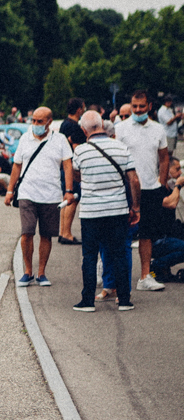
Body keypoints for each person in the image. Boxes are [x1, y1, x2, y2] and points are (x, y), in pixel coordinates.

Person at [70, 110, 139, 311]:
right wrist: (135, 207)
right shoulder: (121, 147)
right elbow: (133, 179)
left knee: (90, 256)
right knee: (119, 253)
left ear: (84, 130)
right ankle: (124, 300)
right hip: (117, 210)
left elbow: (76, 175)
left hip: (91, 213)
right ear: (101, 125)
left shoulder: (80, 151)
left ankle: (87, 301)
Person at [4, 106, 74, 286]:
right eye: (33, 120)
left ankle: (42, 272)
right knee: (27, 232)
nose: (35, 124)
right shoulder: (25, 139)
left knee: (46, 235)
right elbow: (17, 166)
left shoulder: (59, 140)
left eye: (39, 121)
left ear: (49, 122)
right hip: (27, 193)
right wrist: (10, 191)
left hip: (51, 194)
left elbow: (67, 166)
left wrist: (68, 190)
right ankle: (28, 271)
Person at [115, 88, 170, 291]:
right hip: (126, 190)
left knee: (147, 234)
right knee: (120, 233)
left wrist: (161, 182)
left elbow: (164, 157)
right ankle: (113, 276)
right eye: (134, 106)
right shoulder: (120, 129)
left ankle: (144, 277)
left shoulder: (158, 129)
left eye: (141, 106)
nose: (138, 110)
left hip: (150, 189)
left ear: (149, 106)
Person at [58, 97, 86, 244]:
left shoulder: (64, 124)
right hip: (71, 168)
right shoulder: (74, 126)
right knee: (72, 199)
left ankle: (63, 231)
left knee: (66, 198)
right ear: (79, 110)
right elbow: (76, 146)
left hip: (63, 167)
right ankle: (67, 233)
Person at [152, 158, 184, 281]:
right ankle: (157, 265)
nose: (180, 172)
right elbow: (171, 204)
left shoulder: (168, 187)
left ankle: (164, 268)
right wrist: (178, 185)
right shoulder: (156, 189)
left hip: (167, 236)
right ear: (166, 170)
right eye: (177, 169)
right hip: (157, 240)